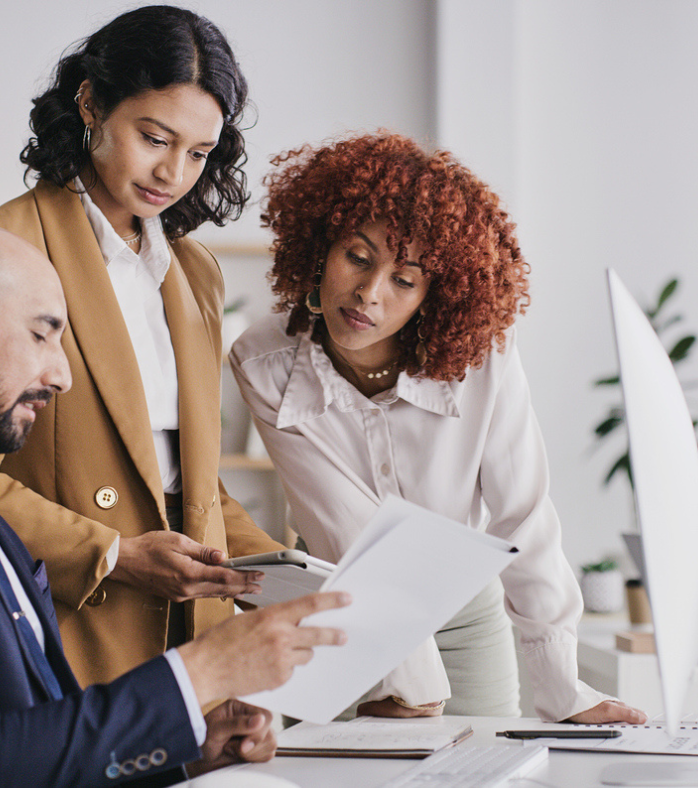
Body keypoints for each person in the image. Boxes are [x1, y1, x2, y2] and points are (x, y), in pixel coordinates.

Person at [0, 220, 350, 787]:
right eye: (42, 333)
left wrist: (185, 753)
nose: (62, 374)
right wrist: (201, 672)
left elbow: (27, 747)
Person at [229, 133, 647, 724]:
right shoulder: (263, 361)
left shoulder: (484, 358)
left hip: (466, 615)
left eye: (404, 279)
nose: (369, 293)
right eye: (358, 256)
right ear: (322, 245)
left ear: (435, 295)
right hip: (340, 610)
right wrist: (407, 685)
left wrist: (562, 689)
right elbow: (341, 525)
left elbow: (522, 515)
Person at [0, 4, 286, 689]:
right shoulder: (2, 252)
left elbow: (188, 482)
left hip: (192, 631)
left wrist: (294, 578)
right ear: (90, 102)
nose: (173, 172)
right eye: (154, 137)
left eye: (199, 153)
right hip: (68, 622)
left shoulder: (195, 272)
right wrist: (112, 553)